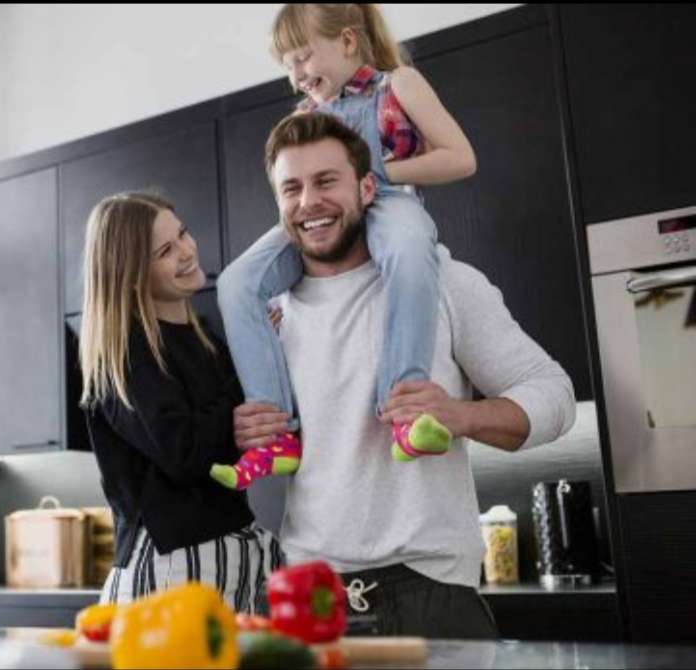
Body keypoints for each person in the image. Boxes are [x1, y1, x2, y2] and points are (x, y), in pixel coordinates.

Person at [233, 111, 576, 638]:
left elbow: (555, 395)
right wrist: (248, 430)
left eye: (327, 181)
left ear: (368, 187)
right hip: (306, 593)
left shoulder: (445, 284)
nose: (309, 203)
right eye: (291, 188)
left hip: (430, 590)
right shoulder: (270, 317)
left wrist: (459, 415)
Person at [211, 4, 478, 491]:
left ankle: (405, 411)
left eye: (303, 57)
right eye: (287, 65)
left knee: (409, 250)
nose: (296, 76)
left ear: (349, 42)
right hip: (328, 216)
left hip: (392, 201)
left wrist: (374, 175)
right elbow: (296, 196)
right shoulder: (308, 116)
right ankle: (277, 435)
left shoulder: (398, 85)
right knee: (237, 282)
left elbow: (459, 158)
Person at [78, 191, 284, 611]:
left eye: (183, 234)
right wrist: (248, 373)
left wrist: (261, 348)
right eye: (166, 251)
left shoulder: (206, 338)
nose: (188, 251)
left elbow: (231, 436)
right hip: (171, 572)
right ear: (132, 273)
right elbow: (185, 453)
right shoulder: (123, 353)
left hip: (227, 558)